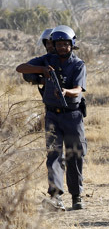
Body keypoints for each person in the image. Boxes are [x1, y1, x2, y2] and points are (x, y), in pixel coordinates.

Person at [16, 25, 87, 211]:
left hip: (72, 115)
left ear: (72, 45)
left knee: (75, 155)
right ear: (53, 45)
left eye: (66, 44)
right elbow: (20, 68)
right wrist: (42, 70)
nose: (62, 47)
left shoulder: (78, 64)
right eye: (58, 44)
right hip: (52, 116)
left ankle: (77, 196)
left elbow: (79, 89)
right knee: (54, 156)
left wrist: (66, 91)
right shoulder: (47, 59)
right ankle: (56, 197)